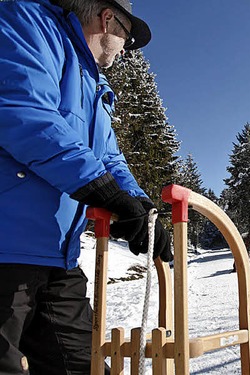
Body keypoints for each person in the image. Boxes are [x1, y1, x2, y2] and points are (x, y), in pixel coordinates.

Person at [0, 0, 172, 374]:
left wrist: (139, 206)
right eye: (126, 36)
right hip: (6, 247)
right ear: (107, 19)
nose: (124, 48)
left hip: (57, 258)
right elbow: (23, 112)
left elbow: (109, 157)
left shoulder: (93, 83)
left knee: (84, 365)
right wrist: (103, 192)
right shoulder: (27, 22)